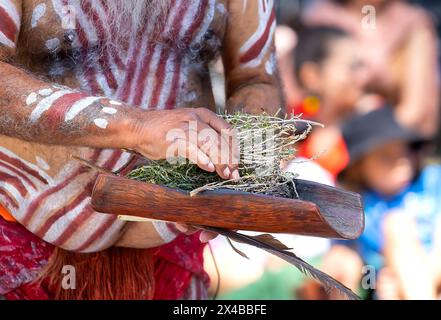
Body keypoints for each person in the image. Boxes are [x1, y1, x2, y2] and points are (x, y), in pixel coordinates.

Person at [0, 0, 283, 300]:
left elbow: (257, 79)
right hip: (24, 243)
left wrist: (239, 175)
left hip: (171, 251)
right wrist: (135, 126)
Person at [321, 107, 441, 299]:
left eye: (405, 152)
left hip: (433, 268)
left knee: (397, 224)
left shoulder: (432, 180)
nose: (402, 163)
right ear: (358, 169)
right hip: (394, 284)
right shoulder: (359, 210)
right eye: (386, 157)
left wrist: (425, 275)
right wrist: (378, 279)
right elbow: (358, 264)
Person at [304, 0, 440, 138]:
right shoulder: (322, 16)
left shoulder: (413, 22)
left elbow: (415, 110)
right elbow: (306, 97)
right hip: (327, 132)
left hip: (392, 139)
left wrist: (365, 135)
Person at [290, 26, 366, 180]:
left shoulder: (372, 124)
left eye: (361, 66)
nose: (362, 76)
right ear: (312, 75)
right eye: (352, 67)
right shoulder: (288, 126)